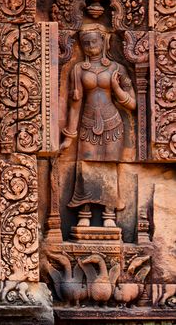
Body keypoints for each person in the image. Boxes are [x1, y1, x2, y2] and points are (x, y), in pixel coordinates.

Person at [59, 23, 135, 228]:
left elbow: (132, 103)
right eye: (86, 43)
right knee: (86, 165)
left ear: (104, 42)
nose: (91, 46)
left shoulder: (117, 68)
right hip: (87, 123)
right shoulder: (78, 70)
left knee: (109, 166)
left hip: (112, 124)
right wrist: (69, 136)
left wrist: (117, 87)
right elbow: (75, 105)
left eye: (94, 41)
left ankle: (109, 215)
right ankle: (84, 212)